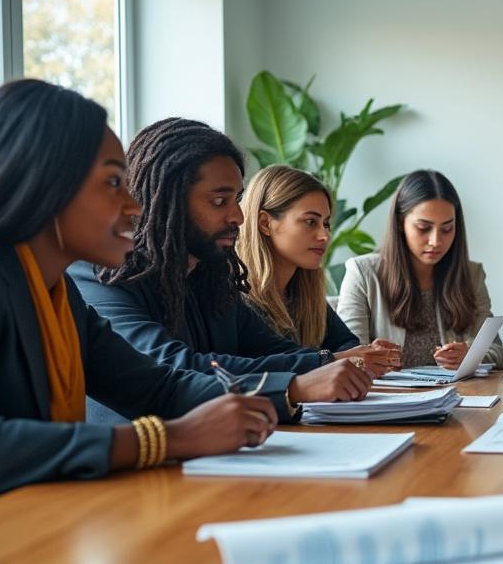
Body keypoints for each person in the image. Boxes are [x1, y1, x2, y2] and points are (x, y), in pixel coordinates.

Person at [0, 80, 277, 527]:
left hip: (35, 536)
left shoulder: (57, 291)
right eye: (113, 182)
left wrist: (265, 400)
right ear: (45, 182)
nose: (134, 206)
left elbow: (157, 388)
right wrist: (165, 439)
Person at [72, 119, 380, 421]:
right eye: (220, 201)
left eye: (238, 200)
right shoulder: (102, 276)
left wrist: (326, 363)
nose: (238, 217)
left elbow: (270, 350)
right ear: (169, 201)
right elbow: (175, 367)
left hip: (215, 453)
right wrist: (302, 379)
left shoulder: (212, 279)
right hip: (142, 464)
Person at [337, 170, 503, 369]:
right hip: (389, 397)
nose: (436, 241)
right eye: (423, 227)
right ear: (401, 223)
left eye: (447, 229)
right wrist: (369, 356)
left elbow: (499, 353)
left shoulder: (470, 275)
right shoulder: (362, 272)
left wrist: (472, 355)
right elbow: (347, 357)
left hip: (456, 396)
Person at [237, 164, 401, 363]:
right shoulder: (238, 296)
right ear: (265, 223)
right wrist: (340, 358)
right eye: (310, 222)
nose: (325, 235)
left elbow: (345, 342)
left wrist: (367, 354)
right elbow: (272, 362)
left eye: (326, 224)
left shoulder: (305, 293)